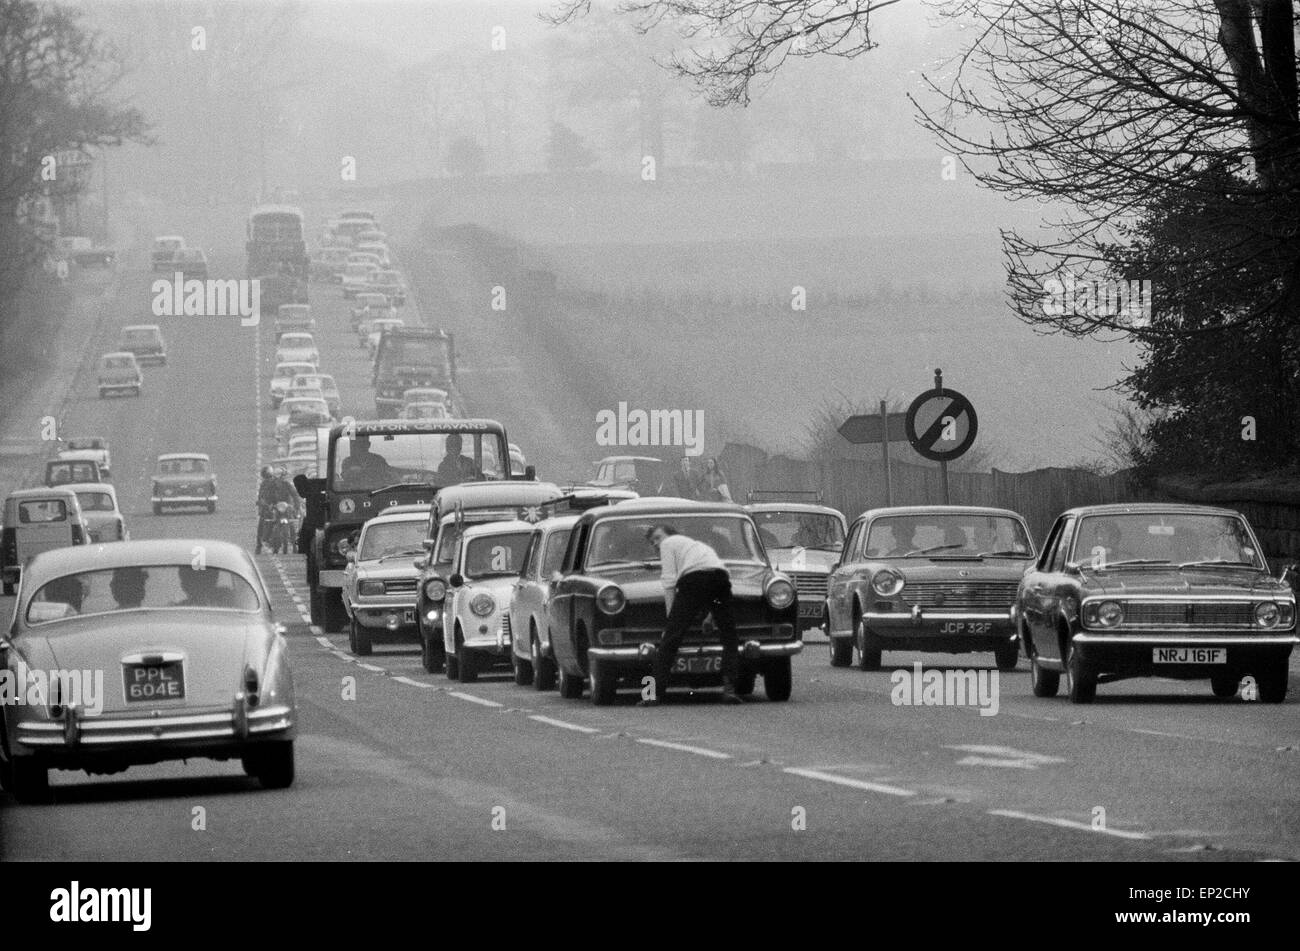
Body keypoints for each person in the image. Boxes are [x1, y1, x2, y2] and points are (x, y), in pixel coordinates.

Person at [641, 525, 742, 707]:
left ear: (670, 535)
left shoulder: (668, 543)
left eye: (657, 537)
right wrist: (710, 618)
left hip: (693, 580)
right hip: (720, 579)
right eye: (652, 542)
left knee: (670, 640)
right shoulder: (700, 547)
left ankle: (652, 694)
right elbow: (714, 581)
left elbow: (669, 581)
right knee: (729, 635)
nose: (656, 543)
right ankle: (729, 689)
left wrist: (670, 622)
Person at [255, 466, 298, 554]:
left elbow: (295, 495)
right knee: (264, 522)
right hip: (274, 507)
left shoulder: (287, 484)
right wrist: (266, 505)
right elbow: (264, 496)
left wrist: (295, 506)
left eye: (281, 476)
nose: (278, 479)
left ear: (283, 476)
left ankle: (294, 544)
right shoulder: (269, 485)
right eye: (276, 476)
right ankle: (259, 544)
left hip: (286, 507)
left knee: (292, 524)